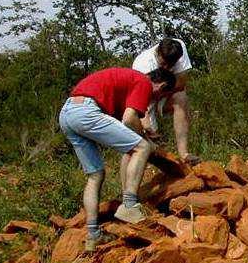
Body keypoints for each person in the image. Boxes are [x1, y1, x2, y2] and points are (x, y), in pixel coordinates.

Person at [59, 67, 176, 251]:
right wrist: (146, 141)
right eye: (161, 95)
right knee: (142, 148)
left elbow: (125, 122)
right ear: (161, 85)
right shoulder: (143, 82)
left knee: (95, 175)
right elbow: (129, 119)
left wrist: (143, 133)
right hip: (86, 111)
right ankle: (129, 204)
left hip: (67, 113)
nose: (155, 99)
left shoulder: (128, 82)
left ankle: (93, 235)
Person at [132, 37, 200, 165]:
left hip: (165, 92)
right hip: (145, 100)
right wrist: (148, 127)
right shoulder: (142, 65)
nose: (167, 68)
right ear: (158, 52)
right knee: (149, 133)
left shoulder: (179, 49)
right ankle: (155, 162)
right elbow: (139, 103)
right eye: (163, 64)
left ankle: (184, 154)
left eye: (171, 65)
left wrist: (162, 92)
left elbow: (181, 82)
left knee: (181, 98)